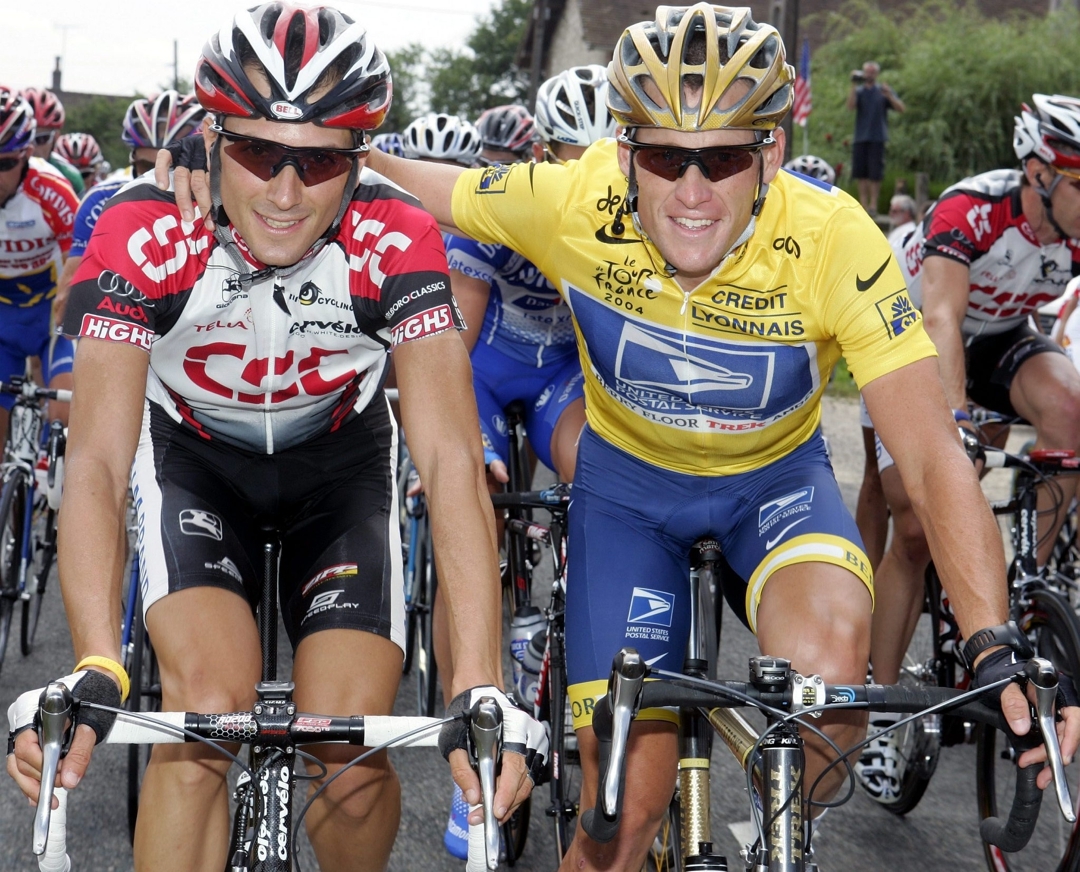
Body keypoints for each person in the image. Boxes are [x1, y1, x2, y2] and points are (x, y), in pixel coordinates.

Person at [159, 7, 1080, 870]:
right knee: (619, 816)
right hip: (628, 496)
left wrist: (993, 639)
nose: (688, 191)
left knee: (831, 697)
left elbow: (926, 452)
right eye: (661, 157)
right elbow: (398, 173)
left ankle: (774, 812)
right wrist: (218, 157)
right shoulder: (573, 201)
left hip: (777, 486)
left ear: (772, 154)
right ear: (621, 150)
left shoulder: (836, 238)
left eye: (720, 161)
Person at [6, 6, 543, 872]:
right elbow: (101, 463)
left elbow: (447, 460)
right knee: (202, 719)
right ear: (212, 138)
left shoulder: (397, 235)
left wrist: (476, 681)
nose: (286, 194)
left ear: (359, 159)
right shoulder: (142, 229)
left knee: (349, 750)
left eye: (321, 159)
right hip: (196, 467)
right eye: (259, 153)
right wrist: (98, 662)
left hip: (341, 472)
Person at [856, 93, 1080, 802]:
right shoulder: (970, 210)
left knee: (1071, 415)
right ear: (1039, 173)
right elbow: (941, 317)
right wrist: (952, 426)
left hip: (1004, 338)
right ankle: (880, 707)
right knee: (918, 524)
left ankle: (1020, 586)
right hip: (912, 337)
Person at [435, 79, 612, 857]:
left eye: (607, 158)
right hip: (486, 367)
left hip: (562, 376)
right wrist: (454, 447)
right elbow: (455, 345)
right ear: (547, 157)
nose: (592, 176)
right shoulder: (509, 203)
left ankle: (564, 621)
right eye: (576, 159)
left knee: (599, 476)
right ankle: (465, 740)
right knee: (469, 496)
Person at [52, 90, 208, 326]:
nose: (160, 176)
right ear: (131, 157)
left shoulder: (227, 198)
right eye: (148, 165)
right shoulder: (101, 199)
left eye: (177, 163)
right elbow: (65, 306)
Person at [0, 88, 77, 447]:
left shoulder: (53, 192)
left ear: (27, 156)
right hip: (3, 317)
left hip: (50, 314)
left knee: (64, 418)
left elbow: (79, 265)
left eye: (5, 164)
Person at [846, 61, 904, 214]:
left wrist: (889, 96)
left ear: (876, 74)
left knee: (875, 173)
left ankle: (873, 205)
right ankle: (863, 204)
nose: (869, 74)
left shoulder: (883, 91)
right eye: (867, 72)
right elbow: (850, 106)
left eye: (872, 72)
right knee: (861, 173)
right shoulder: (859, 91)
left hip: (877, 137)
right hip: (860, 137)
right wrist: (853, 85)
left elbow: (901, 108)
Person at [19, 86, 84, 196]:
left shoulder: (71, 178)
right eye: (24, 137)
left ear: (56, 137)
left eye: (42, 138)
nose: (32, 146)